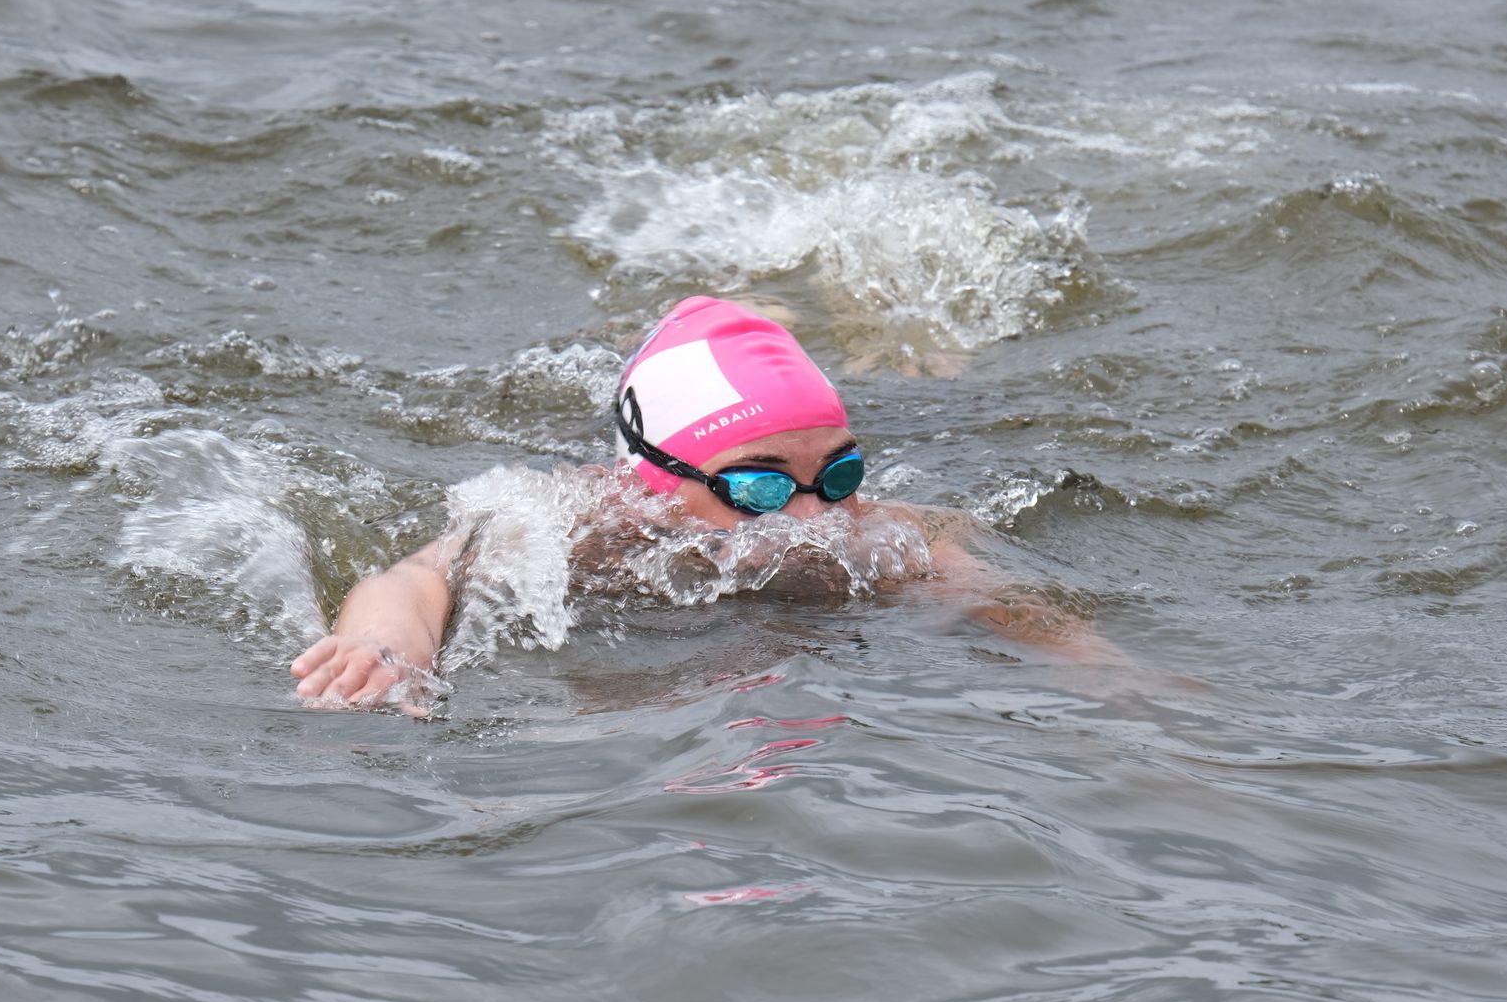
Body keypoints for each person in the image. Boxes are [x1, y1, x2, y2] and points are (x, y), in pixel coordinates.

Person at [291, 296, 1121, 712]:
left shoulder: (885, 532)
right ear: (651, 482)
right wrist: (385, 648)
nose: (812, 520)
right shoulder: (584, 524)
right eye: (758, 487)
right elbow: (416, 577)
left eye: (839, 476)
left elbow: (1020, 613)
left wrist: (1125, 692)